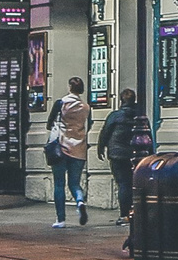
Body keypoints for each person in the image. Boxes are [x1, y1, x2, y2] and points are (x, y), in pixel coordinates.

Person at [96, 88, 152, 225]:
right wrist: (151, 153)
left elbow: (105, 133)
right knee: (135, 184)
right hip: (136, 154)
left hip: (117, 154)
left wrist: (100, 148)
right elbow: (148, 136)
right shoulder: (140, 116)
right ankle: (136, 213)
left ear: (121, 101)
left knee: (123, 184)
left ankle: (124, 215)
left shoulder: (115, 116)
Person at [48, 77, 92, 227]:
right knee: (75, 183)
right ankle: (80, 202)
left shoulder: (61, 103)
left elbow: (49, 123)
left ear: (69, 87)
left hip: (61, 147)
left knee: (59, 183)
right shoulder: (86, 107)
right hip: (79, 148)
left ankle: (61, 220)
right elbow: (89, 125)